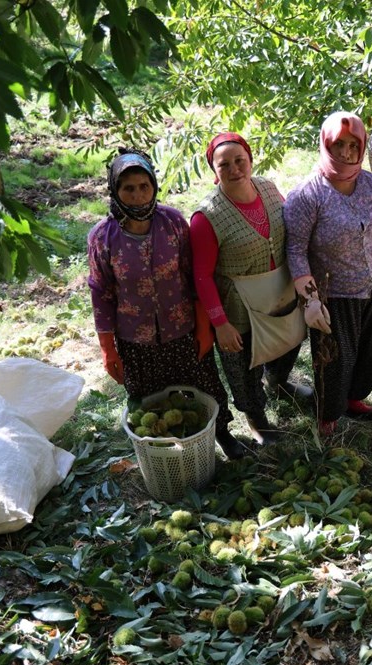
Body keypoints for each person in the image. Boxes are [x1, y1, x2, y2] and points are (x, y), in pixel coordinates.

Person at [87, 149, 244, 458]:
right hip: (136, 338)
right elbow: (100, 292)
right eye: (128, 189)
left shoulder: (171, 222)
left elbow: (193, 274)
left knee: (205, 387)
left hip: (182, 328)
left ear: (154, 186)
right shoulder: (102, 237)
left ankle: (222, 433)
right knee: (151, 403)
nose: (137, 196)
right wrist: (107, 348)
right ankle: (164, 452)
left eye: (144, 186)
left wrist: (203, 327)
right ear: (114, 190)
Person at [284, 112, 372, 437]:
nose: (346, 152)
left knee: (369, 352)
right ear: (325, 144)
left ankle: (354, 399)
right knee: (335, 360)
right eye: (338, 144)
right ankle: (328, 414)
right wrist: (310, 300)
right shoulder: (307, 196)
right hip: (337, 294)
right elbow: (296, 251)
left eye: (353, 144)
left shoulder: (371, 183)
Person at [190, 132, 311, 446]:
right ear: (214, 170)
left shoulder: (268, 188)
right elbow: (201, 275)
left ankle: (279, 382)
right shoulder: (208, 217)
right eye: (224, 164)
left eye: (239, 160)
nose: (234, 169)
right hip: (238, 304)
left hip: (279, 290)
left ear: (250, 158)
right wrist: (221, 323)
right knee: (244, 369)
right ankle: (256, 417)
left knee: (289, 339)